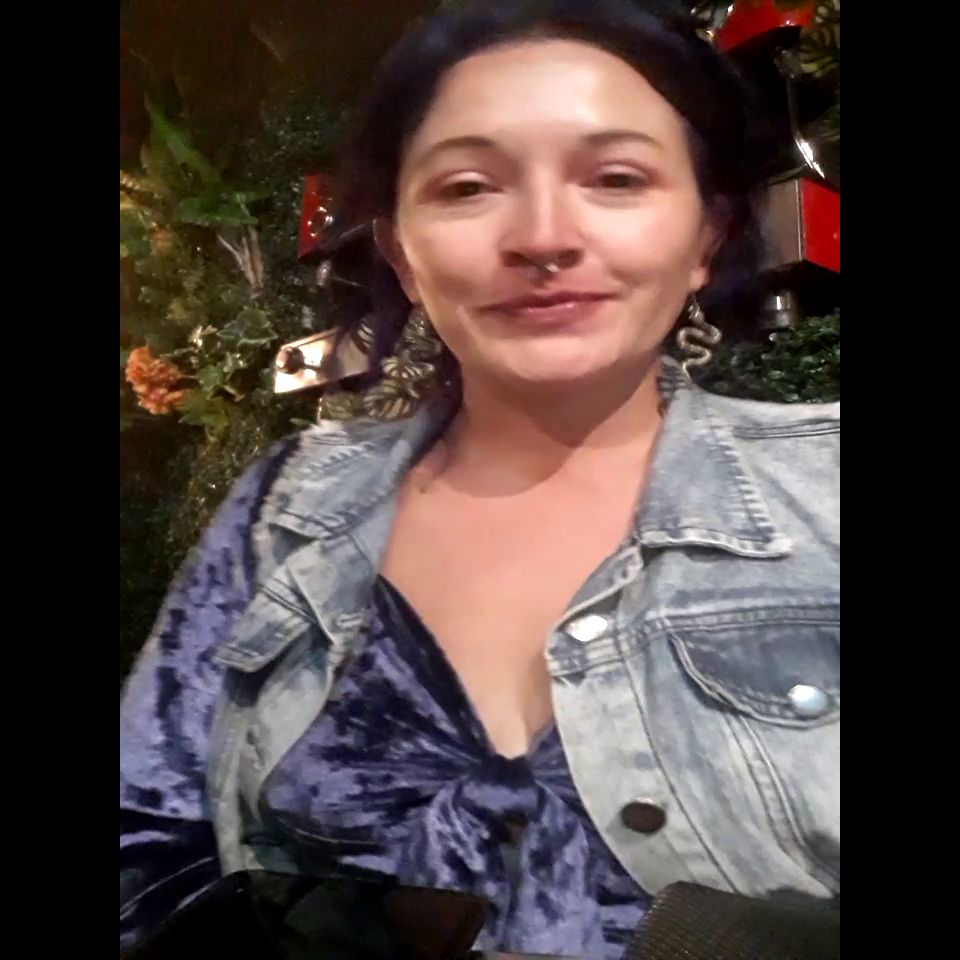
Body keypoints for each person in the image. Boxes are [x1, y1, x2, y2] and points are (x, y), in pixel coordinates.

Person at [120, 1, 840, 956]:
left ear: (706, 234)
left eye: (616, 178)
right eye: (467, 187)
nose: (543, 236)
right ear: (401, 254)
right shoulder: (287, 505)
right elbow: (146, 847)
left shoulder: (825, 489)